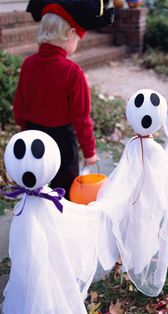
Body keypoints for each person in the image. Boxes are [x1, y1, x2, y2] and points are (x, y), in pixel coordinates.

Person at [13, 0, 114, 198]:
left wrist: (25, 130)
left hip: (34, 137)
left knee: (37, 188)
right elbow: (81, 117)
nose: (78, 42)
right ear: (69, 34)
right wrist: (89, 152)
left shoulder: (28, 64)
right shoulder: (72, 72)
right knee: (64, 190)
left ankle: (38, 223)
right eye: (78, 37)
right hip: (62, 144)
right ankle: (61, 224)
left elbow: (19, 106)